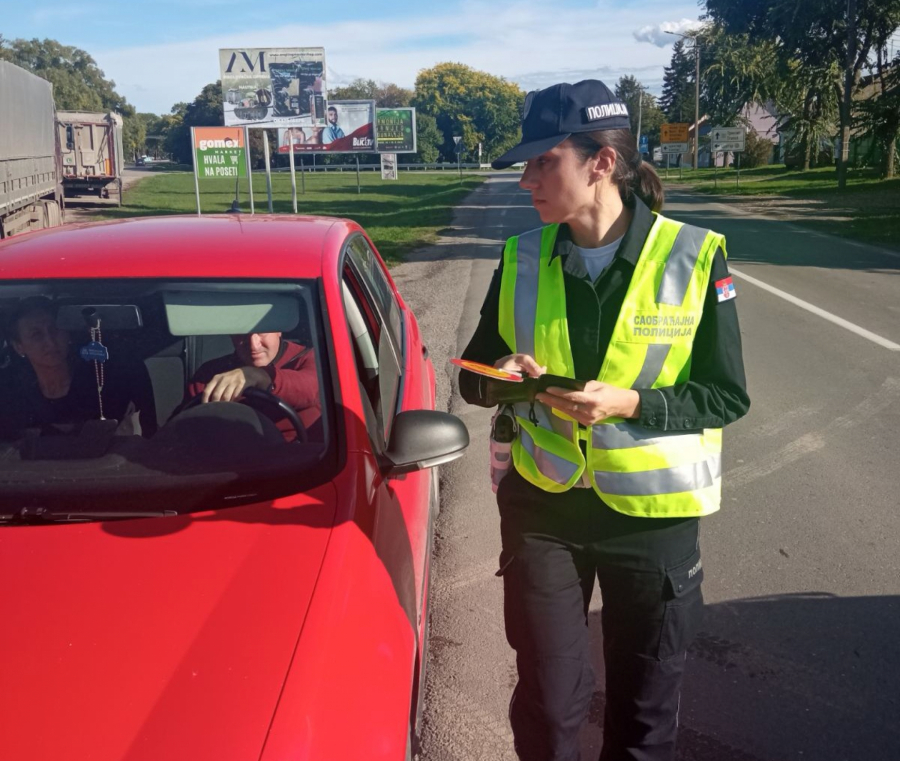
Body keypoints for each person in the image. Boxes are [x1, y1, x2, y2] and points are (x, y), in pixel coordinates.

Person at [459, 79, 750, 761]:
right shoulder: (522, 257)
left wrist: (633, 404)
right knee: (549, 707)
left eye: (543, 161)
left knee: (644, 719)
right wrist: (510, 379)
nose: (526, 178)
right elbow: (474, 378)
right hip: (545, 510)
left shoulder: (695, 256)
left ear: (601, 163)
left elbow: (726, 395)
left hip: (653, 523)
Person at [0, 297, 157, 440]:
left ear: (67, 334)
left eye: (55, 330)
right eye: (36, 335)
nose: (50, 342)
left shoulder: (109, 386)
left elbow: (143, 439)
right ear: (19, 347)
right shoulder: (12, 398)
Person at [186, 330, 321, 442]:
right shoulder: (211, 372)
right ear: (231, 335)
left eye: (262, 332)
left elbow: (311, 389)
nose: (253, 345)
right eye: (242, 333)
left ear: (279, 330)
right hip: (228, 462)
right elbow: (183, 425)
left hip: (298, 463)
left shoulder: (310, 359)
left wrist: (261, 376)